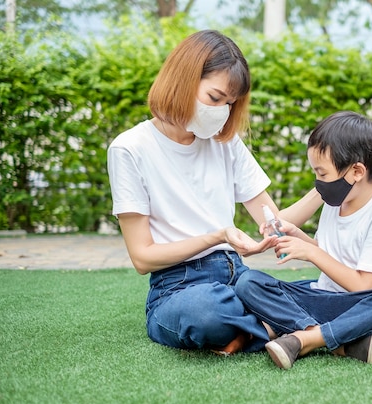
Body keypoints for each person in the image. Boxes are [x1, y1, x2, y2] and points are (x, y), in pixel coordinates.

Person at [107, 30, 321, 354]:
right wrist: (218, 236)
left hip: (240, 278)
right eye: (215, 98)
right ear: (183, 79)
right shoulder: (129, 149)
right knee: (206, 312)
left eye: (230, 103)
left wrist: (326, 187)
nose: (222, 111)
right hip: (177, 288)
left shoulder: (226, 143)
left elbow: (273, 220)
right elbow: (142, 257)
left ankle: (257, 331)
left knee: (315, 289)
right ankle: (291, 326)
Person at [235, 111, 372, 369]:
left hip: (361, 306)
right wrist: (298, 238)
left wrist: (311, 254)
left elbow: (364, 285)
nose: (318, 183)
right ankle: (339, 341)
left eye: (322, 174)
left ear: (356, 171)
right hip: (323, 297)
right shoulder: (336, 203)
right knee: (249, 282)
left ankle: (303, 337)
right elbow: (329, 252)